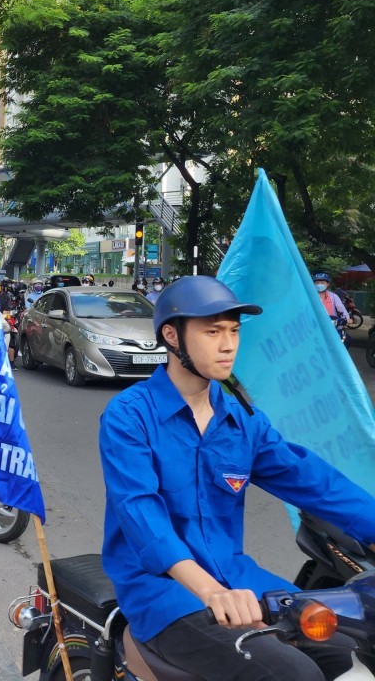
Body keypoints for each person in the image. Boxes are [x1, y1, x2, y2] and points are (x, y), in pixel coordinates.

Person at [99, 275, 375, 681]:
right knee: (295, 675)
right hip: (165, 594)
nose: (228, 344)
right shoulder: (129, 416)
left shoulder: (242, 420)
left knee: (348, 650)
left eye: (233, 331)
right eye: (212, 331)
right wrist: (211, 591)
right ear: (173, 336)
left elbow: (312, 480)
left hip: (242, 581)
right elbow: (141, 515)